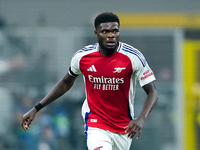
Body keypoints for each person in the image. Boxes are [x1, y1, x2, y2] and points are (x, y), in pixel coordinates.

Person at [21, 12, 158, 150]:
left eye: (115, 31)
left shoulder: (133, 57)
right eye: (105, 31)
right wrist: (36, 108)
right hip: (95, 123)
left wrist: (141, 118)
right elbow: (65, 83)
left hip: (123, 127)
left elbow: (152, 92)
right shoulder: (82, 57)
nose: (111, 35)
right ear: (96, 33)